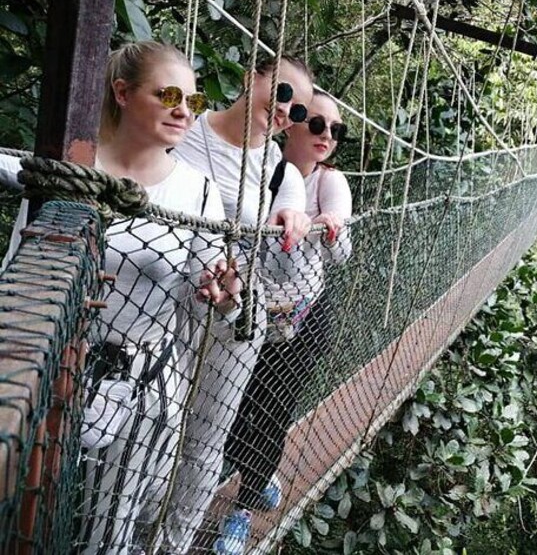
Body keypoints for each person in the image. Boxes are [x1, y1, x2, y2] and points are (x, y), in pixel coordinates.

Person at [40, 41, 238, 553]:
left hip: (145, 381)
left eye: (193, 102)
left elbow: (205, 293)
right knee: (35, 509)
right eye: (169, 94)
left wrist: (221, 296)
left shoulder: (197, 193)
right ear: (122, 92)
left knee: (109, 530)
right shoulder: (69, 168)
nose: (183, 110)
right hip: (56, 366)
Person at [149, 54, 314, 554]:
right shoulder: (188, 121)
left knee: (204, 441)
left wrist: (292, 215)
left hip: (235, 316)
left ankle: (170, 546)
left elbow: (292, 210)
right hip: (163, 296)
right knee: (155, 428)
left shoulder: (279, 170)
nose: (286, 112)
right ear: (251, 78)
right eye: (282, 93)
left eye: (299, 111)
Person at [222, 89, 352, 552]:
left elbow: (342, 252)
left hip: (303, 320)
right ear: (292, 121)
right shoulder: (257, 170)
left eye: (336, 130)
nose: (327, 136)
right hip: (245, 312)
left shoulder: (329, 182)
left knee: (273, 413)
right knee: (235, 410)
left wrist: (328, 225)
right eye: (317, 124)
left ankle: (243, 506)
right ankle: (253, 467)